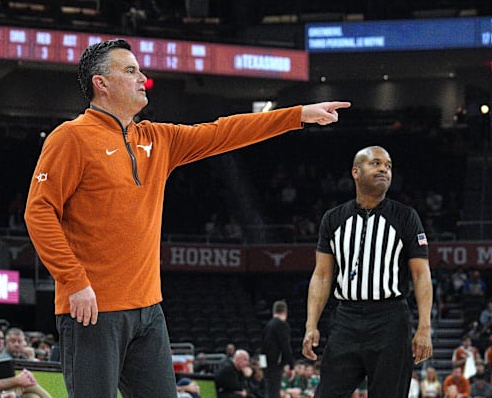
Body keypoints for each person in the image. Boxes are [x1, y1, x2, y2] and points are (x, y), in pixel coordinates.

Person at [24, 37, 351, 398]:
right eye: (130, 70)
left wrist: (296, 115)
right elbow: (39, 212)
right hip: (91, 309)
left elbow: (221, 132)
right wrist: (73, 281)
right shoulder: (70, 137)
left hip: (148, 310)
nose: (142, 77)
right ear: (101, 83)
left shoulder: (156, 138)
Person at [302, 145, 434, 396]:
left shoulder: (406, 216)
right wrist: (311, 324)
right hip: (346, 319)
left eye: (388, 166)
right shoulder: (333, 218)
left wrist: (424, 328)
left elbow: (421, 274)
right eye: (376, 163)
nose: (384, 169)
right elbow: (321, 275)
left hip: (391, 319)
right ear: (355, 171)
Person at [261, 299, 295, 398]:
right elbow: (285, 346)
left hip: (266, 364)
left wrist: (263, 367)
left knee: (269, 391)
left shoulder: (267, 325)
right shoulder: (282, 325)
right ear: (285, 312)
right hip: (275, 363)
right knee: (274, 392)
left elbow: (262, 348)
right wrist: (291, 365)